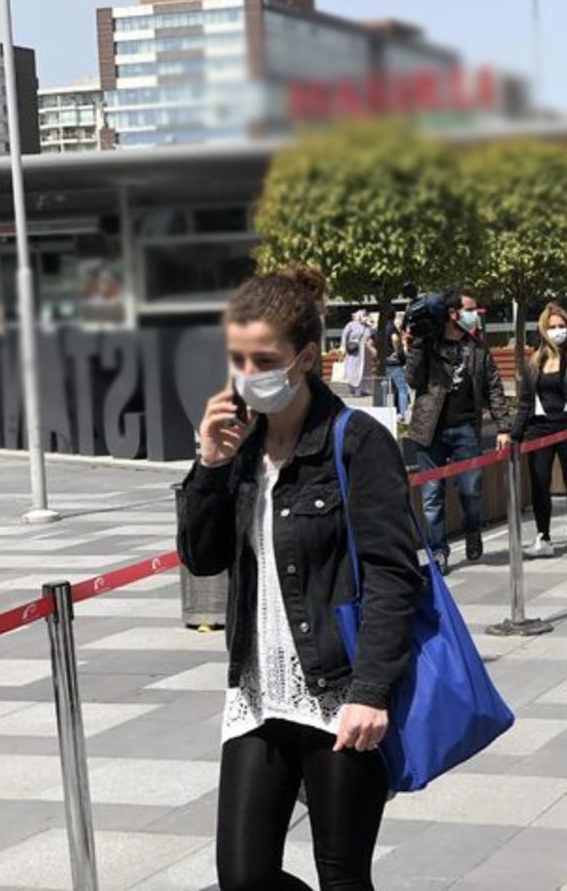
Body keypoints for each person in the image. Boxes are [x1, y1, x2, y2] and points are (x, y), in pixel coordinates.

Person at [178, 269, 421, 891]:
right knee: (242, 877)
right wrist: (209, 466)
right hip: (258, 694)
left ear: (306, 358)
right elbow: (202, 560)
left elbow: (395, 575)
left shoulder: (355, 441)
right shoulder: (237, 446)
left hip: (338, 693)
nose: (247, 371)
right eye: (238, 357)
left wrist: (371, 691)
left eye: (265, 358)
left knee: (341, 875)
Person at [406, 290, 511, 574]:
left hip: (465, 428)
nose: (473, 314)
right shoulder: (429, 345)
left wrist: (503, 425)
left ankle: (472, 529)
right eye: (468, 309)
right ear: (451, 313)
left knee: (471, 489)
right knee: (431, 497)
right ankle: (439, 551)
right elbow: (412, 380)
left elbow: (494, 387)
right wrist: (417, 344)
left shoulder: (477, 348)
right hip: (430, 430)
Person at [512, 303, 567, 557]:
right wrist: (515, 434)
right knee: (539, 483)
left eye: (562, 326)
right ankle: (544, 537)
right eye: (552, 327)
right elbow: (525, 401)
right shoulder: (534, 361)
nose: (558, 331)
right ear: (543, 329)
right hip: (539, 428)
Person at [384, 311, 411, 424]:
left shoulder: (380, 328)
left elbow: (369, 342)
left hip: (384, 362)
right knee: (402, 388)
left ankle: (393, 411)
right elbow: (395, 339)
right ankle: (402, 414)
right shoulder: (392, 327)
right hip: (394, 362)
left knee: (389, 388)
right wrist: (398, 351)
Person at [340, 310, 375, 396]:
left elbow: (373, 335)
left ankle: (363, 389)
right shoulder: (351, 325)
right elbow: (344, 335)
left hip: (364, 352)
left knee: (364, 370)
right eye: (363, 315)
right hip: (353, 351)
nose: (364, 317)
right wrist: (343, 347)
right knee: (352, 369)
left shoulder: (368, 327)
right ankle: (353, 388)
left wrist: (371, 323)